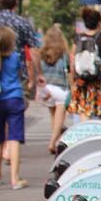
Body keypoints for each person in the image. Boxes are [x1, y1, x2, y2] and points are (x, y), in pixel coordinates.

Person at [0, 27, 27, 189]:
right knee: (14, 138)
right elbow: (22, 75)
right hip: (15, 97)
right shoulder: (16, 57)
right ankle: (15, 178)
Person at [68, 7, 101, 121]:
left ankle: (86, 136)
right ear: (99, 23)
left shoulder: (78, 37)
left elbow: (72, 59)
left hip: (81, 82)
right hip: (98, 82)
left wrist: (72, 80)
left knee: (84, 111)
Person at [0, 0, 39, 95]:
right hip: (18, 74)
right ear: (16, 3)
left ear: (0, 3)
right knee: (17, 105)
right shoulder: (22, 23)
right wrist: (38, 74)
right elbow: (34, 50)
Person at [35, 25, 71, 153]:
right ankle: (53, 142)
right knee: (60, 117)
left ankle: (57, 141)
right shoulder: (63, 52)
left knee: (53, 116)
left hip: (48, 89)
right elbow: (68, 70)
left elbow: (38, 69)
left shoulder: (42, 52)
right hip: (60, 88)